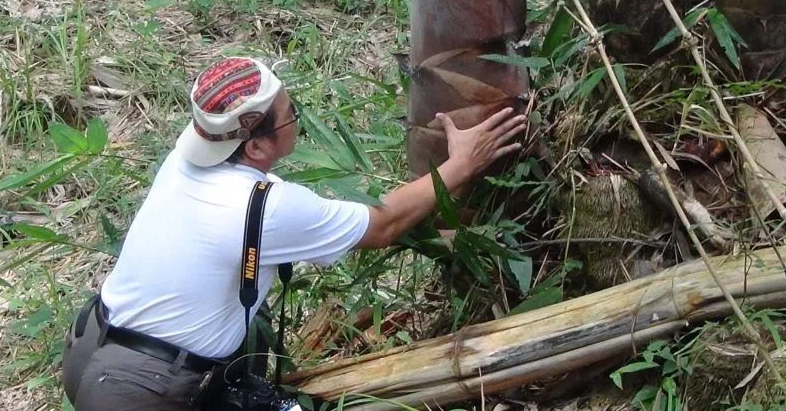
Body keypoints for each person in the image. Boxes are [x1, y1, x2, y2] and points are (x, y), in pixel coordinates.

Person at [60, 56, 525, 411]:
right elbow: (384, 224)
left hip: (90, 348)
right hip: (144, 388)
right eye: (291, 111)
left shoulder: (189, 159)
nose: (297, 116)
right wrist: (462, 163)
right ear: (257, 144)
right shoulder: (264, 208)